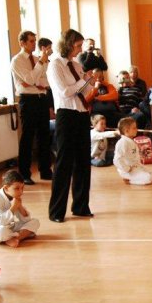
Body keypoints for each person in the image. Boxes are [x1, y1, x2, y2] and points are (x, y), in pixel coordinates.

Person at [46, 28, 95, 223]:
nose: (80, 49)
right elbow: (65, 91)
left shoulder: (76, 64)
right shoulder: (55, 65)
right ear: (67, 44)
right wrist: (84, 81)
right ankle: (57, 211)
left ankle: (81, 206)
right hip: (66, 115)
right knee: (64, 163)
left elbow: (87, 90)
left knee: (83, 162)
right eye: (77, 45)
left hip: (82, 114)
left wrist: (90, 80)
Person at [10, 30, 53, 185]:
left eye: (35, 41)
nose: (34, 44)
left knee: (44, 135)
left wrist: (35, 80)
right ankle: (24, 174)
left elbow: (44, 80)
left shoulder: (36, 59)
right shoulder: (17, 60)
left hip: (42, 99)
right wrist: (38, 69)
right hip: (28, 101)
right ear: (22, 43)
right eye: (31, 41)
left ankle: (46, 171)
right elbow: (29, 78)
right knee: (27, 137)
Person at [0, 169, 40, 247]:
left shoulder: (13, 196)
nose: (21, 192)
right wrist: (14, 207)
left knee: (35, 222)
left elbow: (26, 220)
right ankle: (19, 236)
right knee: (2, 231)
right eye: (17, 188)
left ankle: (15, 238)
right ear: (6, 188)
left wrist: (19, 206)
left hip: (10, 227)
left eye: (22, 188)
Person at [113, 117, 152, 185]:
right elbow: (117, 160)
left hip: (136, 166)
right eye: (134, 128)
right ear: (126, 131)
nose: (137, 129)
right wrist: (127, 169)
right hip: (128, 170)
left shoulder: (130, 141)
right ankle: (128, 179)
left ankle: (134, 176)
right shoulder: (122, 142)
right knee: (147, 178)